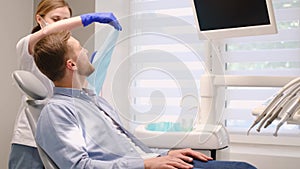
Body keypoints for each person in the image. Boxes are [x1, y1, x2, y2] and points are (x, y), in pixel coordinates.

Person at [32, 31, 257, 169]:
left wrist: (163, 155)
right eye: (81, 49)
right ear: (71, 65)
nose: (87, 50)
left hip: (150, 162)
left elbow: (125, 145)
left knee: (243, 167)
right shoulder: (57, 113)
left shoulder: (91, 100)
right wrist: (146, 164)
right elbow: (79, 166)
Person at [9, 0, 122, 168]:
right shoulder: (28, 47)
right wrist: (86, 19)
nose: (63, 25)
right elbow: (47, 33)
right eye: (56, 19)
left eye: (66, 19)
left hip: (59, 138)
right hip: (30, 139)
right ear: (40, 20)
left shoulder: (69, 53)